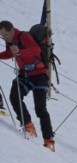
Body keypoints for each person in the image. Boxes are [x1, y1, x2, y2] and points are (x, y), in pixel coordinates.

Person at [0, 20, 55, 151]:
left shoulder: (24, 36)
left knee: (40, 109)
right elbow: (9, 53)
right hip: (24, 75)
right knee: (15, 97)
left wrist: (19, 52)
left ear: (12, 30)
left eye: (5, 35)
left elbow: (35, 50)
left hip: (40, 75)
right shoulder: (10, 41)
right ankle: (28, 126)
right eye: (2, 36)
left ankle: (49, 141)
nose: (5, 38)